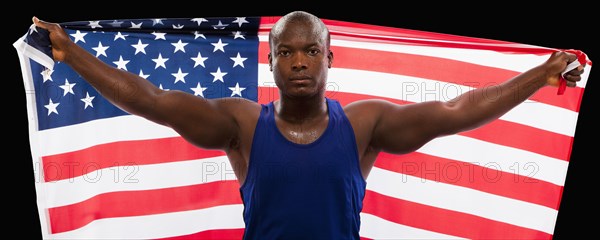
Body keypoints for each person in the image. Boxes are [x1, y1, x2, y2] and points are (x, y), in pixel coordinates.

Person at [32, 11, 584, 240]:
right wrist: (72, 53)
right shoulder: (239, 124)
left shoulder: (365, 124)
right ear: (270, 59)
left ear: (329, 58)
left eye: (311, 52)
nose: (299, 62)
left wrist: (540, 73)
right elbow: (152, 99)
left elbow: (456, 112)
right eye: (287, 52)